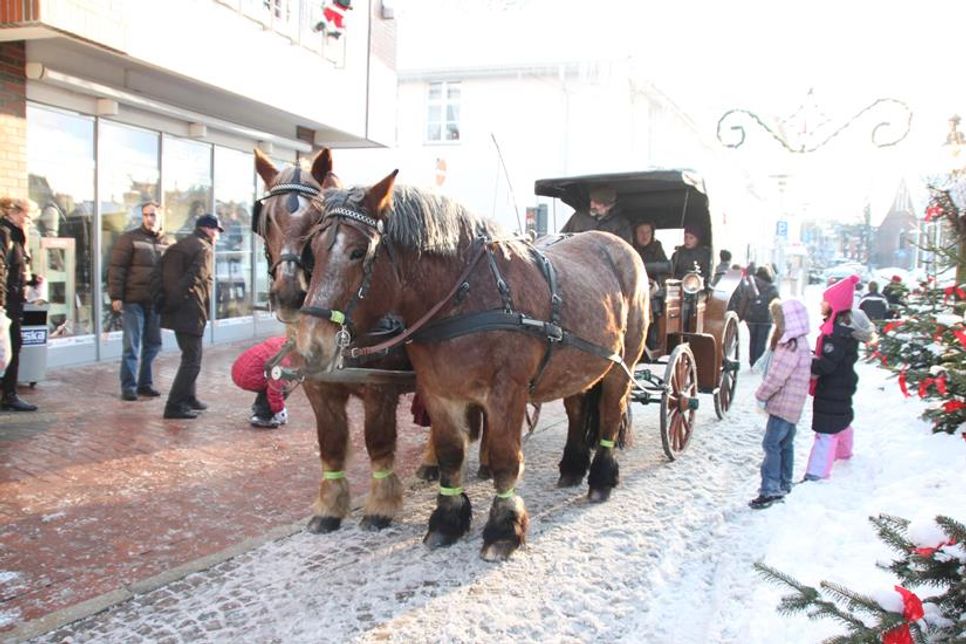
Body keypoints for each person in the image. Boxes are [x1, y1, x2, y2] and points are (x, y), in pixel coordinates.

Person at [749, 299, 811, 509]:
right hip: (794, 404)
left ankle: (770, 489)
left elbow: (777, 376)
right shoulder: (801, 342)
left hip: (783, 403)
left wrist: (761, 394)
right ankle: (784, 482)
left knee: (771, 444)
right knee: (786, 444)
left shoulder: (790, 345)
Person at [160, 213, 222, 419]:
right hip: (190, 310)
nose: (218, 235)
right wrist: (177, 301)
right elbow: (194, 279)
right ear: (208, 229)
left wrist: (170, 303)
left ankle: (189, 398)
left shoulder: (181, 245)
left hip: (180, 310)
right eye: (217, 230)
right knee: (192, 361)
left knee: (190, 356)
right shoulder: (203, 249)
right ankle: (174, 405)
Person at [803, 275, 864, 481]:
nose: (821, 304)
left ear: (834, 304)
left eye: (825, 300)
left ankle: (817, 472)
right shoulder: (842, 328)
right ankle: (844, 452)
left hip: (832, 386)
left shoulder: (835, 334)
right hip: (842, 383)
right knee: (841, 419)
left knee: (826, 429)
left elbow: (827, 365)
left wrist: (807, 362)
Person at [108, 201, 169, 401]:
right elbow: (117, 269)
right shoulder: (129, 238)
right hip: (133, 299)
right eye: (145, 215)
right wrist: (116, 296)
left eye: (153, 215)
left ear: (160, 216)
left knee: (153, 344)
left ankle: (145, 384)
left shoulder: (167, 241)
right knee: (131, 345)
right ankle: (128, 386)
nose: (149, 219)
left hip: (155, 301)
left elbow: (171, 272)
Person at [0, 197, 43, 411]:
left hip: (14, 301)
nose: (30, 222)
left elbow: (15, 269)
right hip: (5, 304)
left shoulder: (16, 234)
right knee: (9, 347)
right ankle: (9, 395)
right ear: (14, 212)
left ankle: (9, 394)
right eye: (28, 217)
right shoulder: (4, 233)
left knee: (13, 346)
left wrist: (31, 280)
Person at [231, 335, 290, 428]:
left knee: (270, 381)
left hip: (238, 370)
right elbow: (275, 389)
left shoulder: (280, 342)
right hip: (249, 377)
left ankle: (259, 408)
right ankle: (262, 416)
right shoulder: (284, 359)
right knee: (283, 387)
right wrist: (279, 411)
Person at [737, 265, 781, 369]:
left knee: (752, 340)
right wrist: (778, 320)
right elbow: (777, 305)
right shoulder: (773, 288)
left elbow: (744, 302)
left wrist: (740, 316)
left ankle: (752, 361)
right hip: (766, 319)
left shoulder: (750, 285)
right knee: (761, 341)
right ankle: (758, 363)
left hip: (751, 318)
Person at [560, 185, 632, 245]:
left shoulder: (620, 224)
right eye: (592, 201)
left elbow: (624, 248)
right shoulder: (578, 217)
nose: (592, 206)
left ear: (608, 206)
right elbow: (561, 238)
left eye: (597, 203)